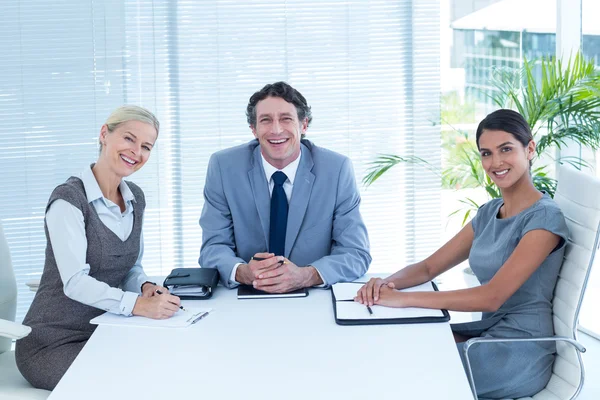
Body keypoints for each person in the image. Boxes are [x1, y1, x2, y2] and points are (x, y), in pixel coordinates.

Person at [356, 109, 568, 399]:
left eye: (506, 149)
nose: (495, 162)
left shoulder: (545, 219)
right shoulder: (489, 212)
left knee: (400, 371)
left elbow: (491, 297)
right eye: (486, 153)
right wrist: (383, 286)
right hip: (486, 333)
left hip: (519, 349)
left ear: (530, 149)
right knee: (397, 341)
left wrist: (403, 300)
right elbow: (430, 267)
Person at [15, 106, 182, 390]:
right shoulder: (68, 200)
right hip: (53, 342)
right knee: (127, 385)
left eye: (146, 146)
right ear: (104, 134)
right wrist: (137, 305)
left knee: (168, 363)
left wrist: (144, 287)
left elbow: (130, 267)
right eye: (129, 138)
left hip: (106, 330)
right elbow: (75, 283)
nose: (136, 152)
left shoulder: (135, 198)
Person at [199, 81, 371, 292]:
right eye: (266, 120)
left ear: (304, 125)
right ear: (253, 129)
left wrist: (307, 275)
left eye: (286, 119)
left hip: (314, 297)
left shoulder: (336, 169)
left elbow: (356, 253)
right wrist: (243, 272)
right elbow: (213, 248)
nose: (276, 130)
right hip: (244, 297)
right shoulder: (224, 167)